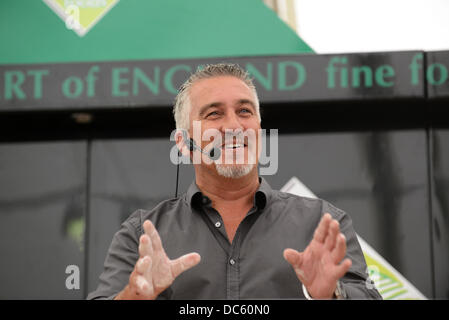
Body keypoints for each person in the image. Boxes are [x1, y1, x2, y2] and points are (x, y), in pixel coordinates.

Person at [87, 63, 382, 300]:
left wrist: (331, 295)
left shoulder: (323, 222)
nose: (233, 126)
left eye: (244, 111)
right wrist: (134, 297)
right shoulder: (142, 235)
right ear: (184, 143)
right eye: (214, 114)